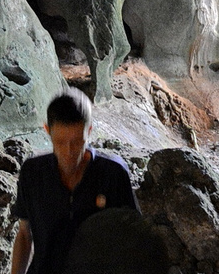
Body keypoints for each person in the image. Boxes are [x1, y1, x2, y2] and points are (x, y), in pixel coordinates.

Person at [11, 87, 139, 274]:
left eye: (78, 142)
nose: (69, 152)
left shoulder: (112, 174)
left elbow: (131, 241)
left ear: (89, 131)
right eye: (61, 142)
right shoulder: (33, 173)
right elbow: (24, 234)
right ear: (47, 131)